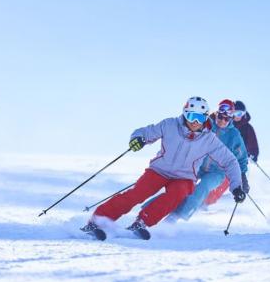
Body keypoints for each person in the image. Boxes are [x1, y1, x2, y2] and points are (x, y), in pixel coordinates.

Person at [81, 96, 246, 239]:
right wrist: (138, 139)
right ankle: (97, 220)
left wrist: (237, 186)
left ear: (206, 118)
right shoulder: (170, 125)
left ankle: (142, 221)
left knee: (178, 194)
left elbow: (231, 161)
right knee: (137, 194)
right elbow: (145, 132)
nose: (195, 122)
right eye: (192, 116)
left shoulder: (208, 139)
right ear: (185, 113)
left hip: (185, 176)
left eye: (200, 118)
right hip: (159, 170)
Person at [164, 99, 249, 221]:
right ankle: (152, 211)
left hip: (217, 172)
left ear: (231, 119)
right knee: (179, 185)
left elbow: (241, 157)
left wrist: (243, 176)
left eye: (227, 119)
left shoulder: (234, 135)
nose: (222, 121)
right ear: (216, 113)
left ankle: (177, 217)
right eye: (220, 117)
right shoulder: (205, 124)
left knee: (202, 187)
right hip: (197, 164)